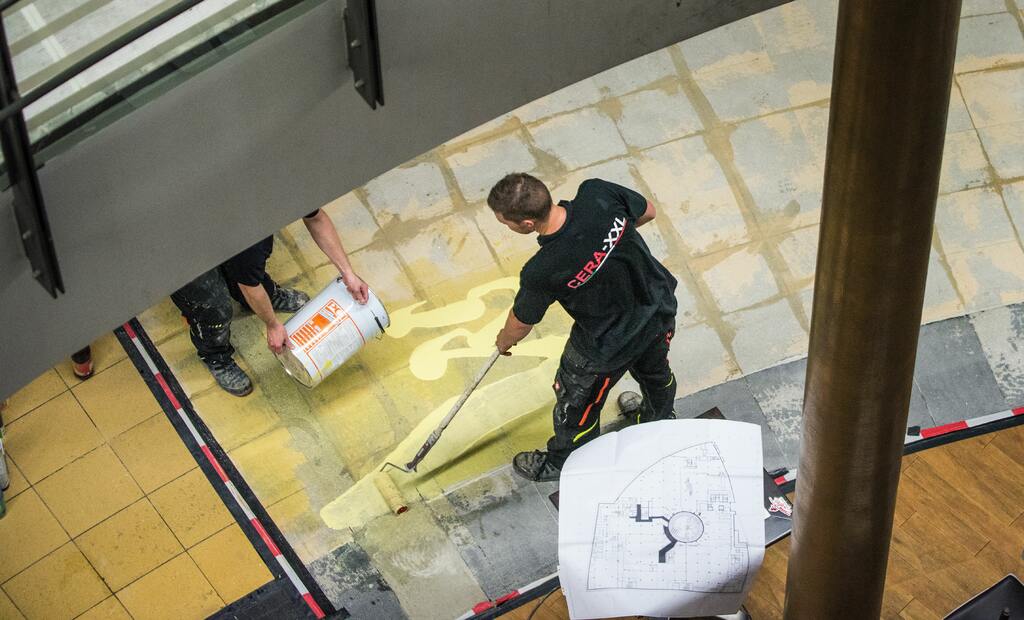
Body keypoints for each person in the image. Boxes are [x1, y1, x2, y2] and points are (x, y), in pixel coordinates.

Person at [489, 173, 678, 481]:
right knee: (656, 373)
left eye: (505, 222)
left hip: (605, 346)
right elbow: (648, 211)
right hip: (658, 309)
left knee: (577, 403)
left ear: (526, 224)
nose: (506, 226)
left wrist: (503, 341)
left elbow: (521, 323)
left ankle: (566, 462)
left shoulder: (543, 269)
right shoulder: (597, 193)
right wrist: (607, 249)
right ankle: (656, 420)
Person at [171, 208, 369, 396]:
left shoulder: (279, 193)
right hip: (181, 243)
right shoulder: (247, 231)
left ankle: (259, 293)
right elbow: (249, 286)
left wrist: (348, 273)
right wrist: (272, 324)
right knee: (214, 308)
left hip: (222, 225)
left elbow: (316, 218)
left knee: (252, 268)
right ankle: (215, 355)